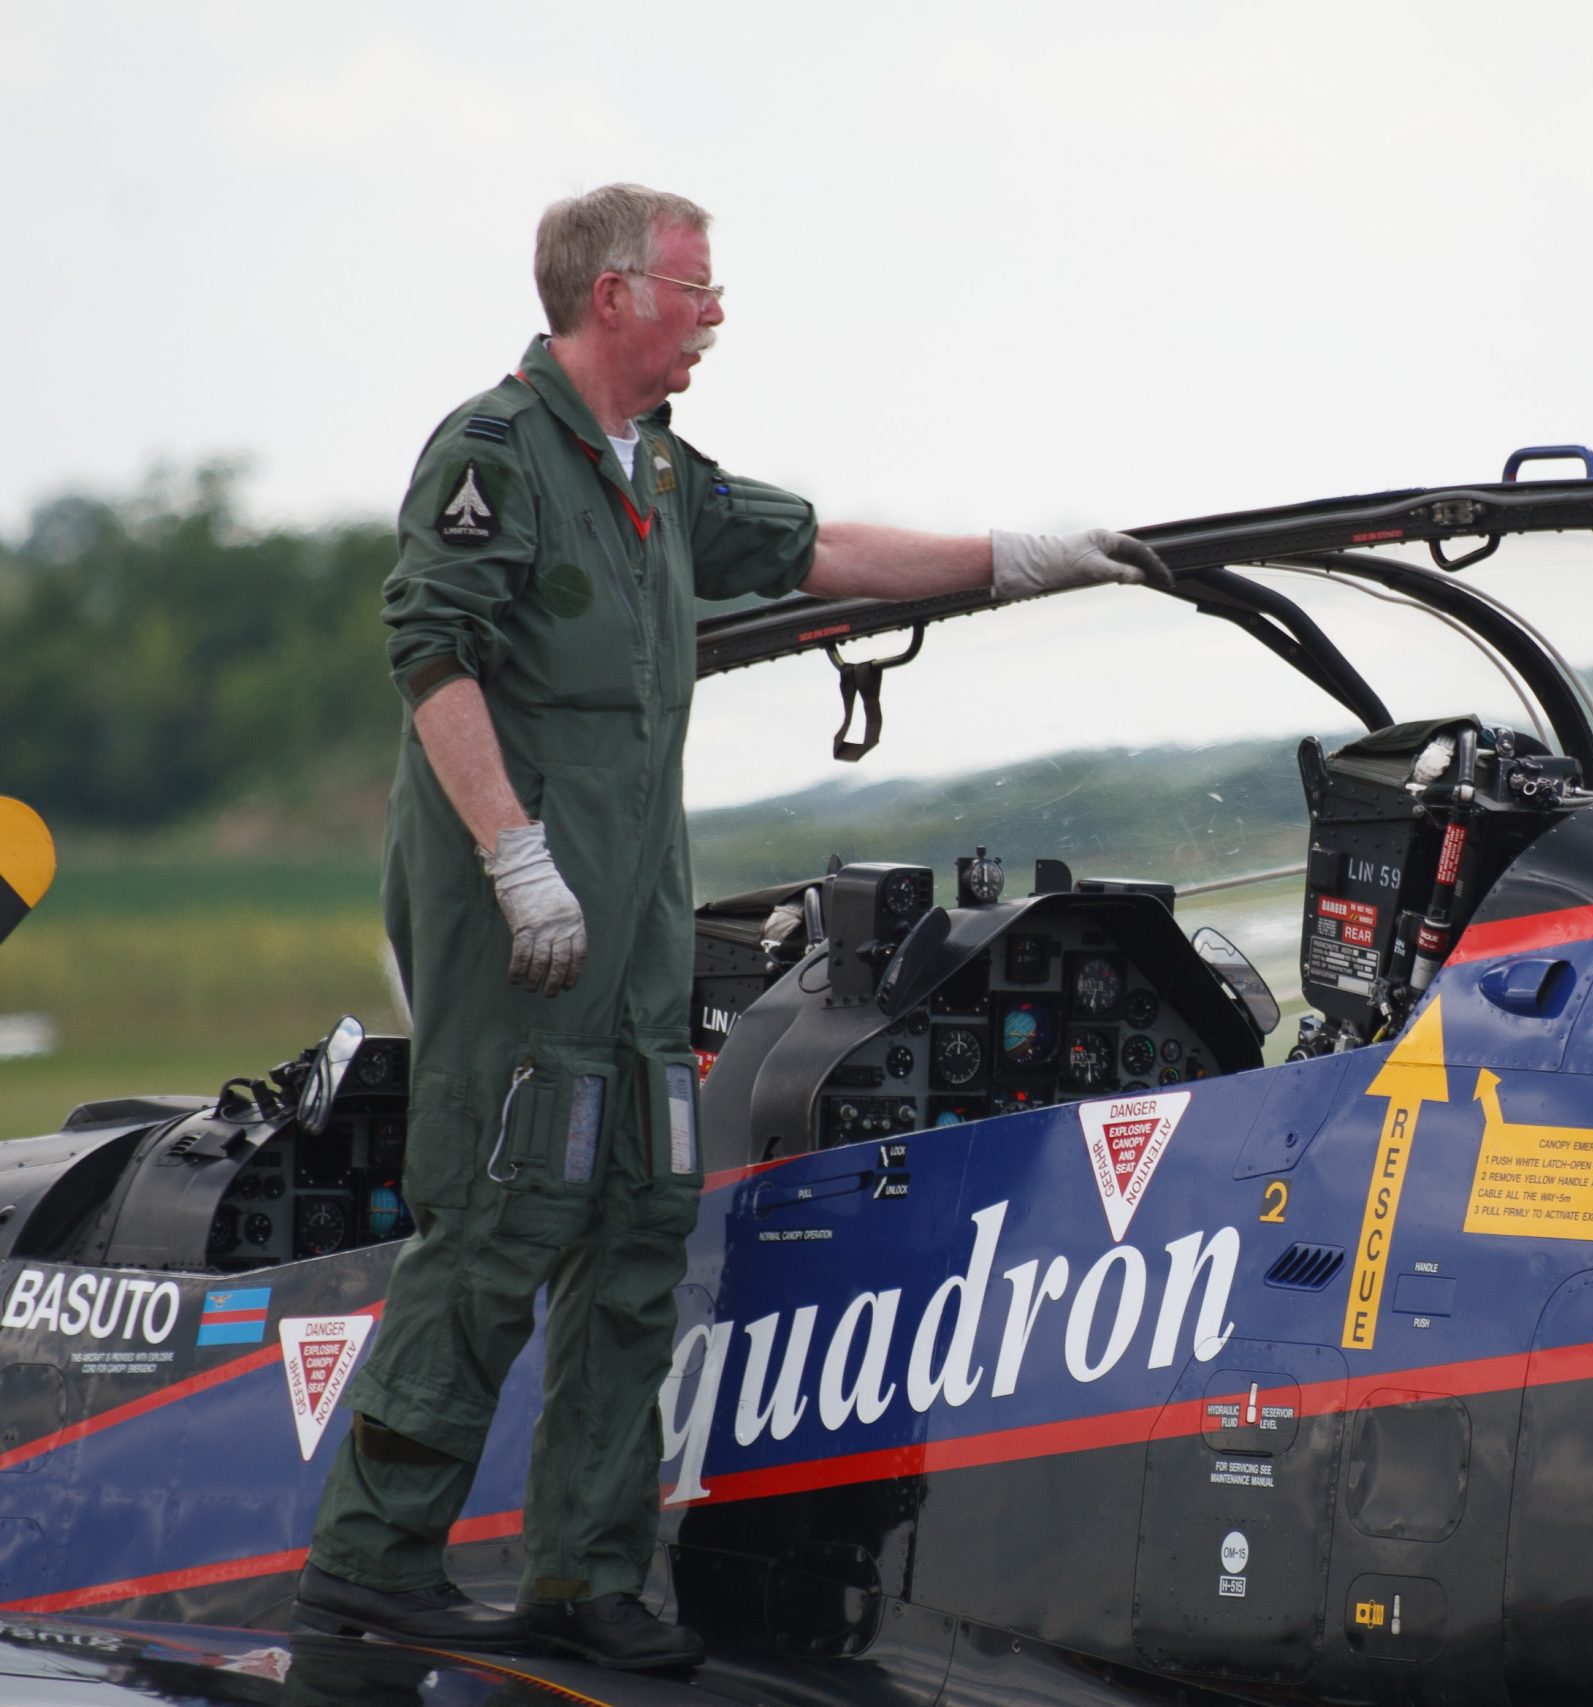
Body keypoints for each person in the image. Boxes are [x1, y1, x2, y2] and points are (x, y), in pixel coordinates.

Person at [293, 184, 1167, 1672]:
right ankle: (372, 1562)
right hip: (522, 919)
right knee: (501, 1214)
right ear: (614, 295)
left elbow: (821, 550)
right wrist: (514, 858)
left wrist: (1019, 557)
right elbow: (433, 660)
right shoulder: (492, 454)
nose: (715, 312)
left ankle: (586, 1576)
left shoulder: (657, 473)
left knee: (637, 1224)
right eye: (696, 288)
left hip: (632, 919)